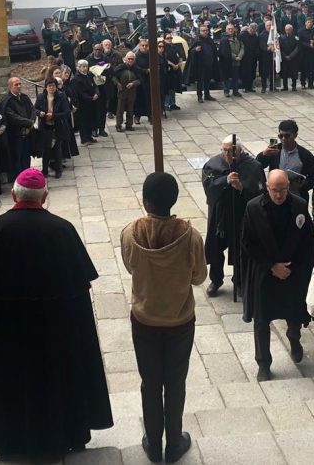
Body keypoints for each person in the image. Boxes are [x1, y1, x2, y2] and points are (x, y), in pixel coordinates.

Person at [0, 169, 113, 455]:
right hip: (53, 333)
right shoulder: (62, 229)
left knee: (9, 385)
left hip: (6, 334)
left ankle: (6, 440)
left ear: (14, 194)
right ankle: (64, 435)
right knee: (55, 381)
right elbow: (79, 292)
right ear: (45, 196)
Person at [121, 173, 207, 463]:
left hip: (144, 318)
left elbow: (130, 266)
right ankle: (174, 442)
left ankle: (153, 443)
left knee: (150, 381)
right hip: (179, 320)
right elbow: (199, 277)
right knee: (175, 382)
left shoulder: (130, 233)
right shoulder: (190, 236)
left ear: (145, 200)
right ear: (174, 200)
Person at [239, 170, 314, 381]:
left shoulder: (299, 205)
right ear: (266, 187)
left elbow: (307, 242)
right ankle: (263, 362)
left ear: (288, 187)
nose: (279, 195)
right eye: (275, 191)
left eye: (283, 190)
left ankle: (294, 335)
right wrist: (272, 266)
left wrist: (298, 269)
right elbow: (247, 243)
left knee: (294, 311)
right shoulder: (253, 208)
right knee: (262, 320)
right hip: (266, 272)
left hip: (292, 271)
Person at [202, 136, 266, 297]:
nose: (227, 154)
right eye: (224, 150)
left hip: (241, 215)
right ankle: (216, 280)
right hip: (220, 216)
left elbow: (260, 194)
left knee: (241, 249)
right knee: (216, 248)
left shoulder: (253, 166)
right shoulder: (213, 164)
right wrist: (225, 180)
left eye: (231, 151)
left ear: (239, 150)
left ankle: (240, 281)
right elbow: (209, 187)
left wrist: (241, 187)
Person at [256, 120, 314, 204]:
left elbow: (313, 178)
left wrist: (302, 185)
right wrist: (263, 154)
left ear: (295, 135)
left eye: (287, 136)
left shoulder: (305, 155)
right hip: (275, 195)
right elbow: (257, 166)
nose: (283, 139)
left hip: (296, 196)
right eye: (281, 136)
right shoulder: (274, 151)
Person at [0, 78, 35, 180]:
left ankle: (28, 177)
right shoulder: (7, 101)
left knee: (26, 157)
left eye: (20, 84)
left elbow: (32, 110)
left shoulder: (24, 97)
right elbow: (13, 117)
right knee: (17, 158)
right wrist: (28, 122)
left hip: (27, 133)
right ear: (10, 86)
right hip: (15, 135)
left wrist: (31, 122)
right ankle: (20, 180)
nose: (19, 86)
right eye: (16, 84)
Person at [114, 52, 141, 131]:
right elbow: (113, 76)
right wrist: (117, 83)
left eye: (132, 59)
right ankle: (118, 125)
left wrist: (133, 83)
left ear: (134, 60)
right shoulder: (120, 67)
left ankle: (129, 124)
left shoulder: (136, 68)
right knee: (120, 110)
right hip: (122, 91)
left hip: (132, 92)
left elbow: (140, 80)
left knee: (130, 109)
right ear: (125, 59)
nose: (130, 60)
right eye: (128, 59)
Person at [191, 25, 217, 102]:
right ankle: (199, 97)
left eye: (206, 30)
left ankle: (207, 95)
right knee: (200, 81)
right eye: (203, 30)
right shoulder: (197, 40)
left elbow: (213, 50)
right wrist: (195, 50)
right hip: (200, 65)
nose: (205, 32)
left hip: (209, 63)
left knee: (208, 80)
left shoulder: (210, 40)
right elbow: (191, 51)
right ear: (200, 31)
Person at [219, 23, 244, 97]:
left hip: (237, 61)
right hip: (228, 61)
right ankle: (226, 91)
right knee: (226, 77)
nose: (231, 30)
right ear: (226, 30)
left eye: (232, 29)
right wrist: (235, 57)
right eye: (229, 29)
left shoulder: (238, 38)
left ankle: (235, 91)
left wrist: (240, 56)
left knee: (235, 77)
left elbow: (242, 47)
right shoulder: (224, 39)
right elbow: (225, 51)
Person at [298, 17, 314, 89]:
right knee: (304, 69)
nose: (310, 24)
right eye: (308, 22)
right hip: (304, 53)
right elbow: (300, 42)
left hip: (313, 53)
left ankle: (311, 83)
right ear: (305, 23)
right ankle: (303, 83)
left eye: (311, 22)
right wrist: (308, 45)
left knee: (312, 69)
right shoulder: (301, 31)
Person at [279, 24, 300, 91]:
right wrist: (285, 56)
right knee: (284, 73)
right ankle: (285, 86)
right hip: (285, 58)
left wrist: (291, 56)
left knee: (294, 73)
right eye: (286, 30)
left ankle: (294, 86)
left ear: (292, 30)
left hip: (293, 58)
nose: (288, 31)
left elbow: (297, 48)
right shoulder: (282, 38)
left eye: (289, 29)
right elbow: (280, 48)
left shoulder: (295, 38)